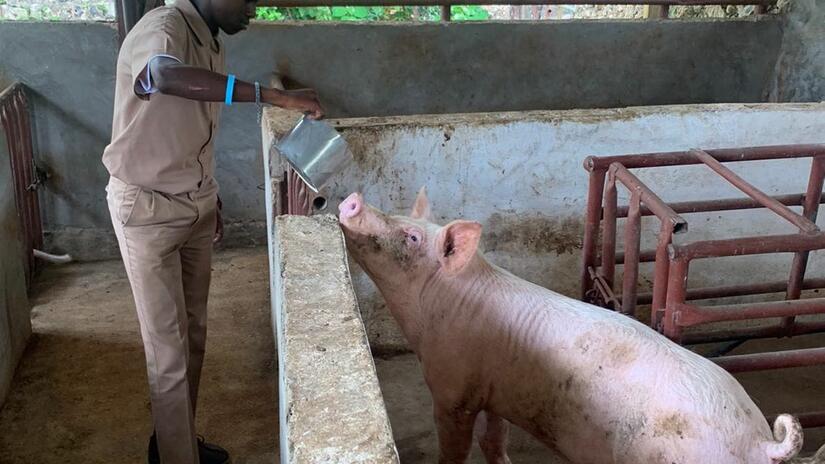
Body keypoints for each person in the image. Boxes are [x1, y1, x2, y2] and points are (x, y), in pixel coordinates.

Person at [101, 1, 323, 462]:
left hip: (194, 201)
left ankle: (174, 444)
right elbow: (165, 77)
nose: (253, 8)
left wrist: (209, 193)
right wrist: (276, 96)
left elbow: (188, 124)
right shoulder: (164, 27)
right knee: (167, 352)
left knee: (194, 335)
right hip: (148, 210)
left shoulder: (210, 39)